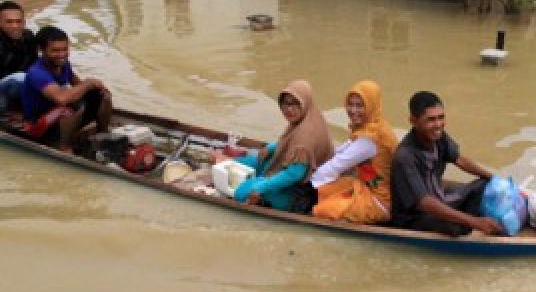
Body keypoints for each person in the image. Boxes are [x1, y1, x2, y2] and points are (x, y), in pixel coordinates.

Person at [390, 90, 503, 236]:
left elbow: (459, 159)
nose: (438, 124)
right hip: (415, 217)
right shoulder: (405, 156)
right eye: (430, 119)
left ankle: (475, 221)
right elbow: (425, 203)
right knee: (455, 229)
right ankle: (472, 223)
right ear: (413, 121)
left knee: (484, 185)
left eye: (441, 117)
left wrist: (495, 178)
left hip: (440, 198)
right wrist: (475, 222)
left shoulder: (438, 136)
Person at [216, 80, 333, 211]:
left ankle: (264, 196)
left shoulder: (306, 135)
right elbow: (290, 144)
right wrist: (271, 147)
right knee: (246, 161)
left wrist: (261, 187)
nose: (289, 109)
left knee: (241, 193)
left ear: (305, 103)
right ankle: (248, 176)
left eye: (295, 104)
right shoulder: (307, 118)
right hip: (290, 173)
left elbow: (294, 174)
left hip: (299, 193)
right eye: (285, 103)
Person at [310, 80, 397, 224]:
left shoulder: (370, 139)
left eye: (360, 105)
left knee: (321, 210)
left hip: (379, 202)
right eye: (350, 104)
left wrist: (304, 183)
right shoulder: (374, 124)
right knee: (323, 191)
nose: (353, 110)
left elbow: (336, 165)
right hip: (364, 187)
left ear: (371, 106)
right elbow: (340, 152)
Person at [21, 26, 113, 152]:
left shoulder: (63, 64)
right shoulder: (37, 72)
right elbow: (61, 98)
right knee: (71, 104)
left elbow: (79, 85)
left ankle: (103, 134)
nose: (62, 55)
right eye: (55, 50)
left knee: (101, 94)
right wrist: (89, 82)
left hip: (59, 120)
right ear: (41, 50)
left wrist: (96, 88)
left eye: (65, 49)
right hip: (38, 125)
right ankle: (64, 147)